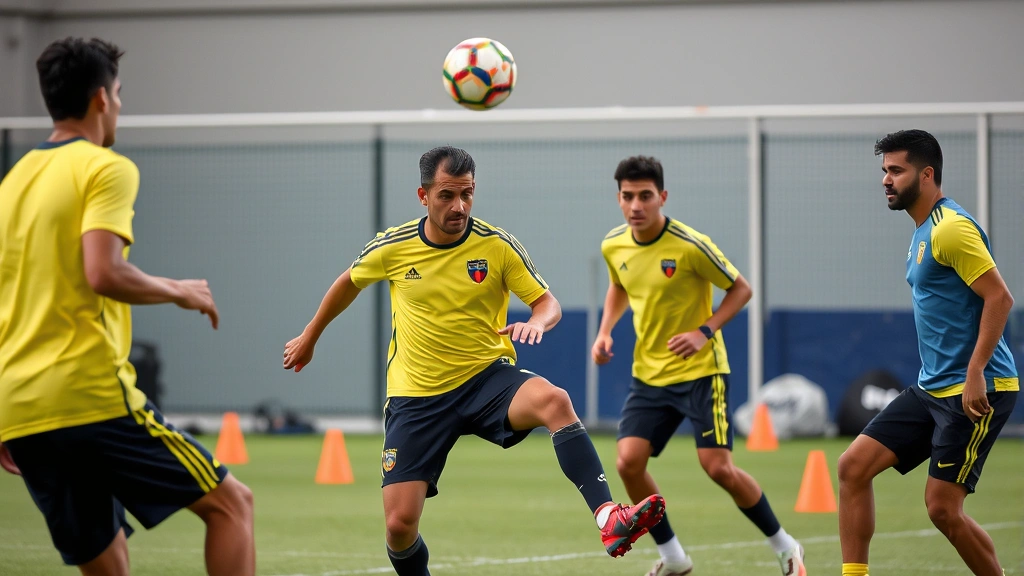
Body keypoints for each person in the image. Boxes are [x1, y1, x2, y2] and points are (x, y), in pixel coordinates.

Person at [283, 145, 666, 576]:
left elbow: (548, 303)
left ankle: (608, 518)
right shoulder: (393, 246)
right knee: (399, 525)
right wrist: (310, 337)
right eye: (446, 195)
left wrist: (538, 322)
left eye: (467, 193)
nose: (459, 206)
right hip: (418, 395)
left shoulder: (497, 245)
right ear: (423, 195)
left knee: (555, 400)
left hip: (486, 379)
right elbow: (347, 284)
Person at [0, 37, 255, 576]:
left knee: (107, 561)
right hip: (88, 395)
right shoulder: (105, 168)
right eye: (118, 93)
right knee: (233, 506)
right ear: (100, 99)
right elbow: (104, 271)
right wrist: (180, 290)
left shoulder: (13, 181)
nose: (119, 105)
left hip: (21, 408)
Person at [592, 155, 806, 576]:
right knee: (628, 463)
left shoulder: (690, 245)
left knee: (718, 468)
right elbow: (619, 284)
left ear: (663, 197)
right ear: (618, 199)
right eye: (627, 196)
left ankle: (786, 546)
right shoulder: (613, 244)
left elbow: (740, 289)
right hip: (649, 375)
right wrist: (604, 332)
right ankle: (675, 559)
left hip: (702, 373)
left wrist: (704, 331)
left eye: (645, 196)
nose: (636, 205)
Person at [837, 130, 1018, 576]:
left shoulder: (951, 229)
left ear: (927, 173)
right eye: (884, 171)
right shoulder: (924, 230)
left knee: (942, 509)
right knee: (853, 467)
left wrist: (976, 371)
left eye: (896, 170)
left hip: (977, 389)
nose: (886, 180)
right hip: (931, 387)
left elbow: (1000, 299)